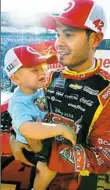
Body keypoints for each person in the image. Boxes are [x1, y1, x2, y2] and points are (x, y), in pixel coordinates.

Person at [9, 0, 110, 190]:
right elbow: (24, 106)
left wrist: (42, 149)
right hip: (38, 175)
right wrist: (15, 135)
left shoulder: (106, 91)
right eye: (57, 34)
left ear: (95, 39)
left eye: (69, 34)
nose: (58, 43)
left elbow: (104, 158)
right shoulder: (51, 76)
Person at [4, 45, 76, 190]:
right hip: (30, 147)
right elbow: (27, 128)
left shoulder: (38, 88)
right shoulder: (19, 102)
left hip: (45, 136)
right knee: (48, 170)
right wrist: (60, 129)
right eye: (34, 70)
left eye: (43, 66)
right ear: (16, 78)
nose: (42, 71)